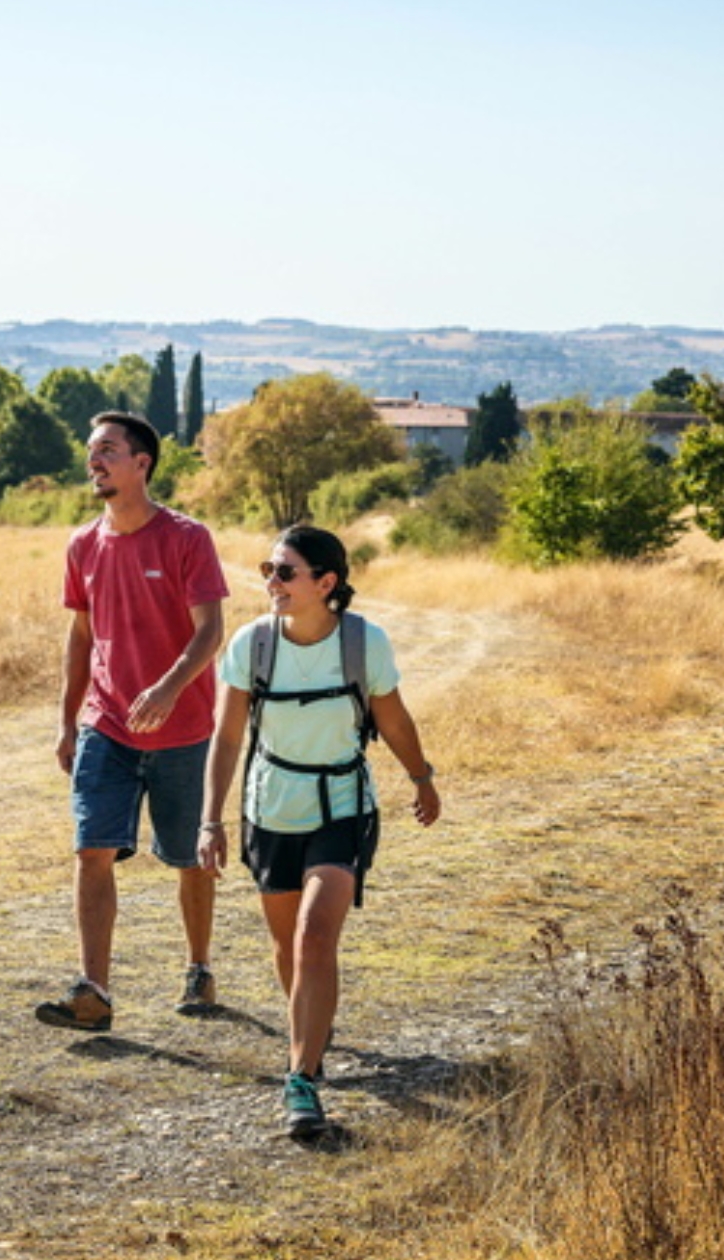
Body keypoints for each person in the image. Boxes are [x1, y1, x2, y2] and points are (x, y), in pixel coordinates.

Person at [199, 524, 440, 1135]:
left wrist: (421, 777)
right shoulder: (252, 646)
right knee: (288, 948)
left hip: (342, 805)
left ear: (326, 583)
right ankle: (312, 1031)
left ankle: (300, 1077)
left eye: (285, 572)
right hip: (272, 808)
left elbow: (393, 718)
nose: (271, 583)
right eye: (268, 570)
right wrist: (210, 820)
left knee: (313, 937)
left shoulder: (363, 643)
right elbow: (226, 738)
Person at [35, 411, 230, 1032]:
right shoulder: (83, 545)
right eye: (92, 452)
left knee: (188, 859)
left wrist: (171, 687)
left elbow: (211, 631)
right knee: (92, 848)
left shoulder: (185, 538)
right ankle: (93, 992)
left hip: (184, 729)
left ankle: (199, 966)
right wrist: (68, 721)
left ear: (141, 463)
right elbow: (81, 636)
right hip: (107, 724)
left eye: (108, 451)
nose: (94, 461)